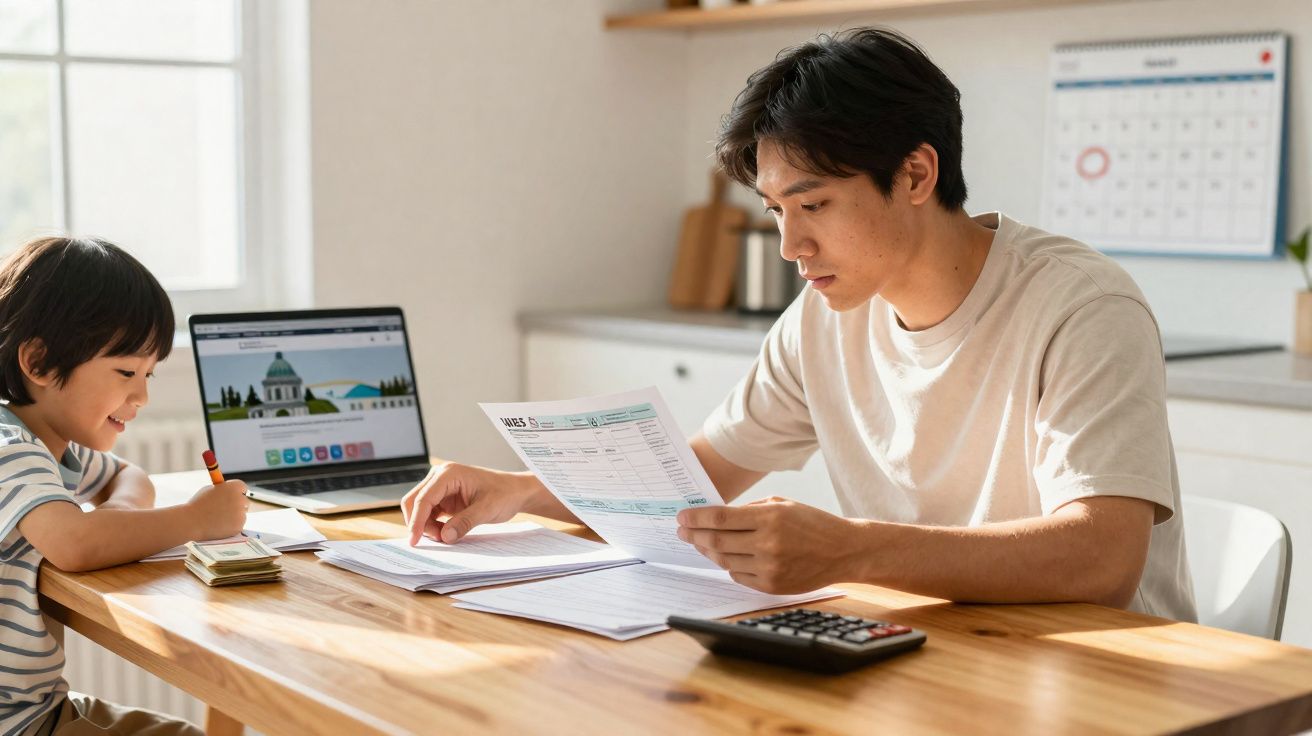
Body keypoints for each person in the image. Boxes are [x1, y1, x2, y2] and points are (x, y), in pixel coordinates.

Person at [402, 28, 1195, 622]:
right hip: (933, 657)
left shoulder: (1081, 308)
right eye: (778, 210)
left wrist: (852, 549)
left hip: (1105, 682)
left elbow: (1103, 558)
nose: (791, 245)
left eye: (813, 204)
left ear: (916, 173)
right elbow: (700, 478)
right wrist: (520, 492)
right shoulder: (823, 318)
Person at [0, 237, 250, 736]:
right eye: (126, 372)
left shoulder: (54, 446)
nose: (142, 394)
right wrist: (197, 520)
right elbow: (74, 544)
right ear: (41, 362)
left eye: (149, 373)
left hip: (37, 710)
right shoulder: (10, 448)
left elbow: (125, 474)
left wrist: (123, 513)